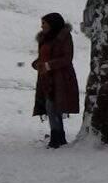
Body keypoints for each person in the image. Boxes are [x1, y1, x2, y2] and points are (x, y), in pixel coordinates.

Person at [32, 13, 80, 148]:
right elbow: (42, 56)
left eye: (44, 23)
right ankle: (57, 136)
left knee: (54, 106)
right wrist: (37, 64)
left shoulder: (64, 37)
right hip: (46, 78)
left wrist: (48, 65)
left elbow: (67, 57)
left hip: (61, 78)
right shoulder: (44, 38)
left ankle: (57, 137)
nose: (42, 26)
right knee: (50, 106)